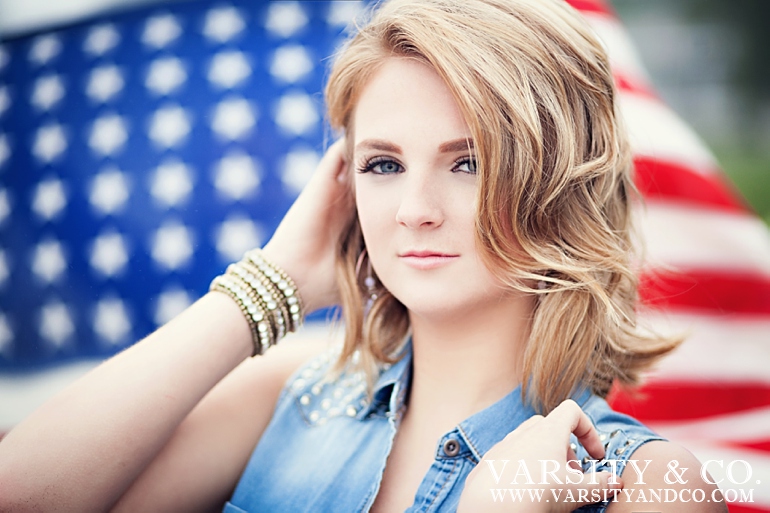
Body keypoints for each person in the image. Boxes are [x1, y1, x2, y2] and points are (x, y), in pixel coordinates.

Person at [0, 0, 726, 511]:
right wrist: (267, 285)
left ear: (557, 182)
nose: (415, 207)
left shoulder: (644, 486)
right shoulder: (292, 391)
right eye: (383, 164)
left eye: (467, 162)